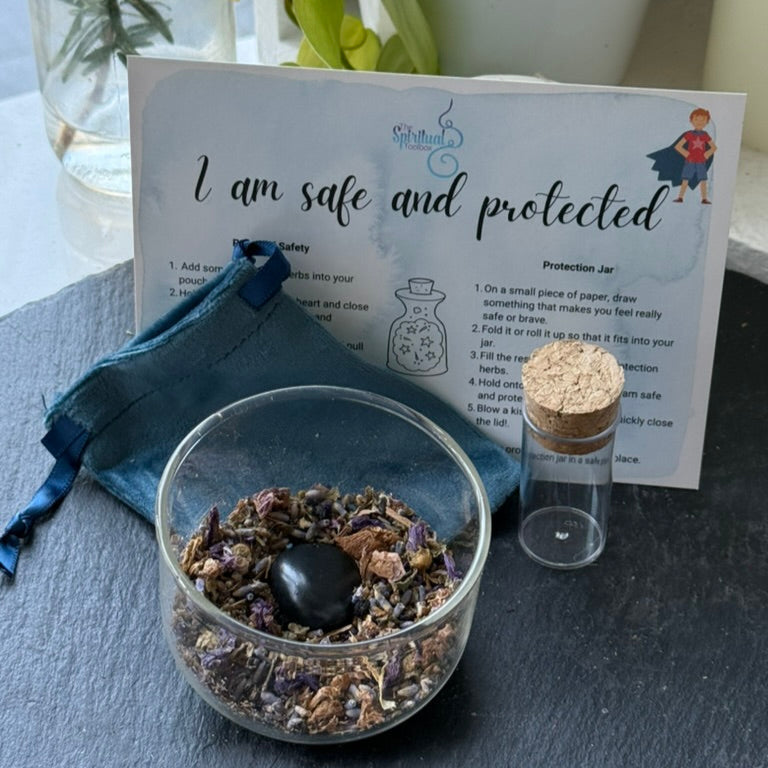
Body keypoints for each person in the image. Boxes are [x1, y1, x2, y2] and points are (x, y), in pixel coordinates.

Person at [672, 108, 717, 204]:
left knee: (703, 180)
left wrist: (706, 155)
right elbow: (678, 146)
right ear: (691, 121)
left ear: (707, 122)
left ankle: (704, 198)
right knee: (685, 179)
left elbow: (713, 147)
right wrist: (687, 154)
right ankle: (680, 197)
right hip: (690, 161)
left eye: (703, 120)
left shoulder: (705, 135)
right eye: (697, 119)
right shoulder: (689, 134)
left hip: (701, 162)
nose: (699, 122)